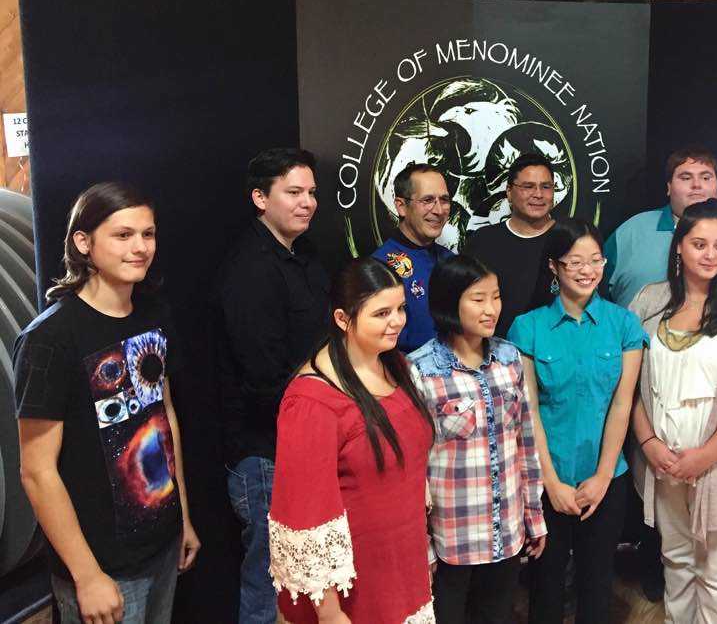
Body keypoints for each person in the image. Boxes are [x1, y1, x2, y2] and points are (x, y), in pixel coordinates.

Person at [15, 182, 200, 624]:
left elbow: (164, 416)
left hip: (161, 545)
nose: (140, 247)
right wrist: (86, 575)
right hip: (102, 566)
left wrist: (183, 519)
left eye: (148, 234)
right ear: (84, 242)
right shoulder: (49, 339)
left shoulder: (154, 313)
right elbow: (37, 472)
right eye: (123, 235)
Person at [604, 146, 717, 602]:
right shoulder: (647, 302)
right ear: (678, 246)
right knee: (676, 563)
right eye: (699, 244)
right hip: (662, 462)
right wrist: (650, 445)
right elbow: (633, 388)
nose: (711, 255)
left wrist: (704, 456)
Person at [268, 258, 436, 623]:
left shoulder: (398, 366)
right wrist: (330, 614)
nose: (397, 321)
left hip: (402, 570)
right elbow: (304, 516)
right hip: (352, 592)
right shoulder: (312, 402)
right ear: (343, 319)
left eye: (401, 309)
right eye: (381, 313)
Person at [507, 217, 646, 624]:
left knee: (597, 582)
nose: (588, 270)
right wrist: (550, 482)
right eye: (575, 262)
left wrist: (603, 477)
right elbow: (527, 412)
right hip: (545, 477)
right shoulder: (528, 327)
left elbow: (623, 404)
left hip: (606, 477)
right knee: (545, 583)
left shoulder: (624, 324)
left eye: (596, 260)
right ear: (553, 266)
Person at [216, 147, 330, 624]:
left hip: (298, 444)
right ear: (261, 198)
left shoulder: (300, 257)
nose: (307, 202)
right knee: (270, 582)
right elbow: (264, 378)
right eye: (294, 192)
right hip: (265, 454)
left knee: (299, 581)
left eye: (312, 193)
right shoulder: (250, 270)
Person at [408, 255, 547, 624]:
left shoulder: (508, 359)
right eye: (478, 299)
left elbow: (526, 445)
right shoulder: (421, 370)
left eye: (496, 296)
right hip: (452, 539)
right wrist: (422, 547)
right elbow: (412, 470)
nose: (491, 309)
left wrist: (534, 517)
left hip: (506, 532)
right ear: (450, 301)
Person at [605, 145, 717, 308]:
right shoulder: (630, 232)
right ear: (668, 188)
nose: (696, 184)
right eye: (686, 178)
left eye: (706, 177)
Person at [463, 152, 557, 336]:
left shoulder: (570, 239)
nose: (538, 194)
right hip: (495, 355)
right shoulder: (483, 241)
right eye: (528, 186)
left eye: (546, 187)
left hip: (557, 355)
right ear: (509, 192)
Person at [373, 162, 454, 353]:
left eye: (444, 200)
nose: (439, 210)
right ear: (401, 206)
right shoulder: (381, 267)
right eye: (427, 200)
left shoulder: (451, 260)